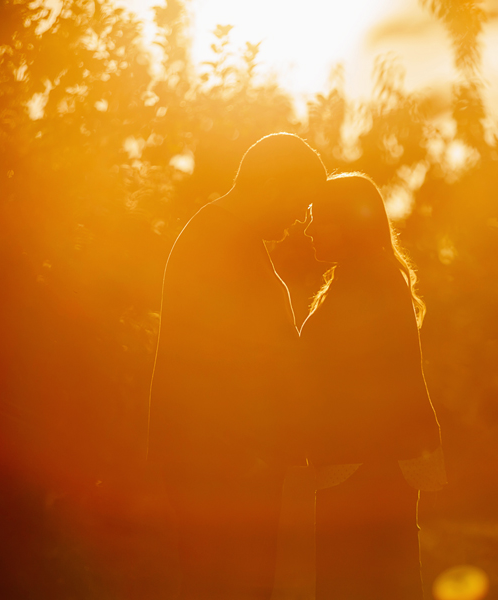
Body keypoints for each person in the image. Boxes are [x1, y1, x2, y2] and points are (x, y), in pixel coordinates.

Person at [147, 133, 327, 600]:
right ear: (273, 184)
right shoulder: (219, 243)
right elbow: (239, 359)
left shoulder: (225, 237)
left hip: (225, 458)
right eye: (300, 201)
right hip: (222, 462)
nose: (299, 218)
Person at [300, 173, 446, 600]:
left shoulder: (369, 287)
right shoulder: (358, 282)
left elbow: (378, 385)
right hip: (360, 468)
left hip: (361, 470)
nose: (308, 230)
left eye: (318, 219)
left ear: (348, 224)